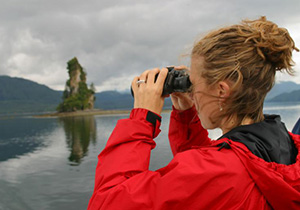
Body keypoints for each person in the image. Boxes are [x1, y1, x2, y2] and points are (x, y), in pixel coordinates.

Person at [88, 17, 300, 209]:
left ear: (221, 91)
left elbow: (107, 203)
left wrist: (142, 118)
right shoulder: (284, 142)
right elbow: (208, 173)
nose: (192, 92)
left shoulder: (219, 172)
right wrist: (186, 114)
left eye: (194, 83)